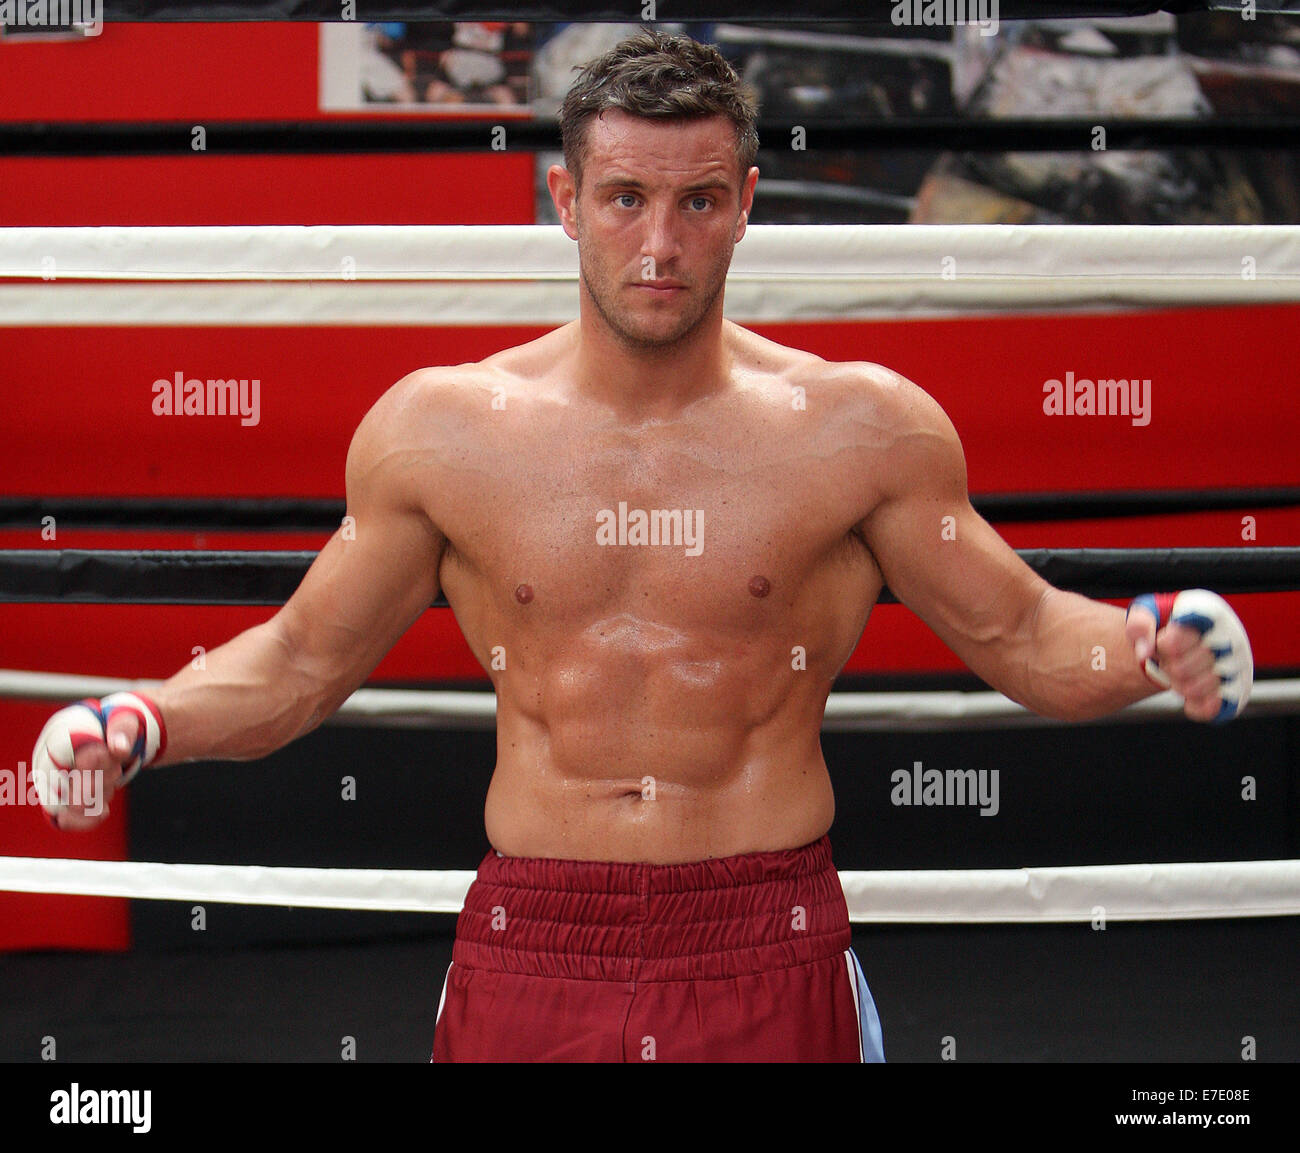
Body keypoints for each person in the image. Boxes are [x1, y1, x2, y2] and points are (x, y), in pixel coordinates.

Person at [30, 30, 1253, 1063]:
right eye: (624, 198)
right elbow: (299, 663)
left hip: (763, 934)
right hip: (536, 942)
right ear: (565, 203)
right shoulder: (442, 432)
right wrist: (139, 720)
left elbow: (1029, 634)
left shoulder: (859, 428)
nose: (659, 244)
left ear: (744, 209)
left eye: (696, 201)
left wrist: (1153, 643)